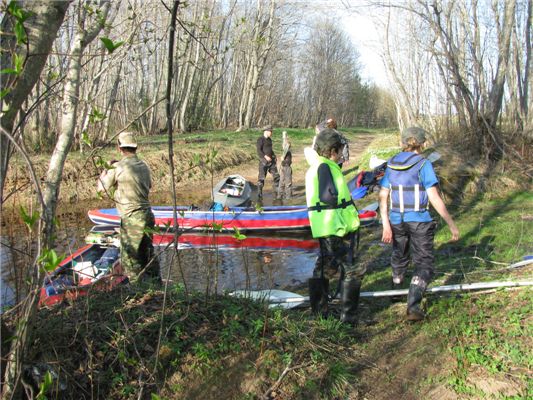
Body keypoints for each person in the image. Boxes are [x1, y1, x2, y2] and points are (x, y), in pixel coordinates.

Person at [379, 126, 459, 321]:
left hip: (396, 220)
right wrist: (451, 223)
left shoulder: (391, 163)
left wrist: (386, 224)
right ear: (422, 143)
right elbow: (434, 197)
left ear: (402, 142)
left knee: (399, 255)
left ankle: (395, 291)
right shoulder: (424, 164)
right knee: (424, 263)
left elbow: (383, 196)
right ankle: (413, 306)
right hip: (419, 221)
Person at [305, 128, 365, 324]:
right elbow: (327, 197)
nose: (341, 155)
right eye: (340, 151)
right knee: (353, 268)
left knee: (323, 268)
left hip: (324, 227)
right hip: (334, 226)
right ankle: (349, 318)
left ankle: (319, 313)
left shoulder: (317, 166)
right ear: (332, 150)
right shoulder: (325, 167)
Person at [97, 131, 160, 283]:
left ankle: (137, 292)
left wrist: (105, 169)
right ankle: (158, 288)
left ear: (119, 148)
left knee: (130, 261)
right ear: (135, 147)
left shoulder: (117, 167)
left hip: (132, 218)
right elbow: (149, 185)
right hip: (148, 215)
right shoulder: (144, 165)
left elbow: (101, 189)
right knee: (148, 255)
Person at [256, 125, 280, 200]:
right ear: (266, 131)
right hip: (263, 161)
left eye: (271, 131)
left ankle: (276, 192)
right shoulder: (260, 139)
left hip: (271, 161)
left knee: (276, 176)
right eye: (270, 131)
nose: (271, 133)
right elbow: (259, 150)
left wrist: (274, 156)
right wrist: (265, 156)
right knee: (261, 178)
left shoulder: (269, 140)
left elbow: (270, 149)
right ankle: (259, 194)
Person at [278, 131, 292, 200]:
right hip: (284, 167)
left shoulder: (288, 149)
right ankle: (281, 196)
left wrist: (283, 156)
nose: (283, 144)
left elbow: (287, 145)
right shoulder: (285, 149)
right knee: (282, 182)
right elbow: (285, 146)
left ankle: (288, 197)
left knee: (287, 183)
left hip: (286, 166)